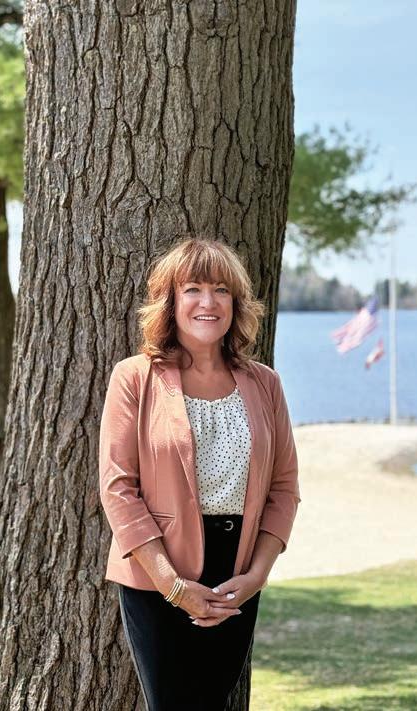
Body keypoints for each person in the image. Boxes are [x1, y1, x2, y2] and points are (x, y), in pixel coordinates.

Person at [99, 237, 301, 711]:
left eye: (221, 290)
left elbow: (284, 488)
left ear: (236, 303)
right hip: (157, 573)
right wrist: (171, 584)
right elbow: (118, 487)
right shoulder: (134, 377)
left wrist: (256, 576)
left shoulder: (265, 383)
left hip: (238, 575)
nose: (208, 302)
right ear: (170, 302)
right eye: (192, 289)